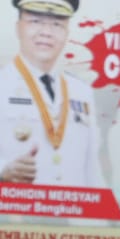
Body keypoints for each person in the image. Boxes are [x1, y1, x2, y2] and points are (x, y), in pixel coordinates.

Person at [0, 0, 104, 187]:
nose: (46, 32)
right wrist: (3, 170)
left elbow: (92, 171)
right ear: (18, 28)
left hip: (72, 203)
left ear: (67, 33)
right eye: (35, 21)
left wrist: (102, 205)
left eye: (57, 24)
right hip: (15, 205)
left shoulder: (82, 92)